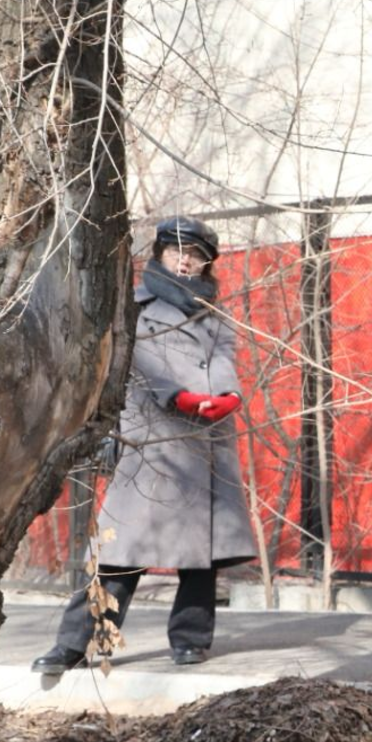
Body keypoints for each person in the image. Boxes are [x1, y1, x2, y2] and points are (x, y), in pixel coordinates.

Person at [32, 216, 257, 673]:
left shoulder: (213, 313)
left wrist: (229, 395)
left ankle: (191, 639)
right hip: (150, 441)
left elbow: (223, 357)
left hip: (205, 440)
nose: (187, 259)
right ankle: (75, 646)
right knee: (120, 553)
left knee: (202, 553)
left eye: (196, 255)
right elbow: (141, 359)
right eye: (178, 250)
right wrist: (179, 396)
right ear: (158, 253)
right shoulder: (133, 306)